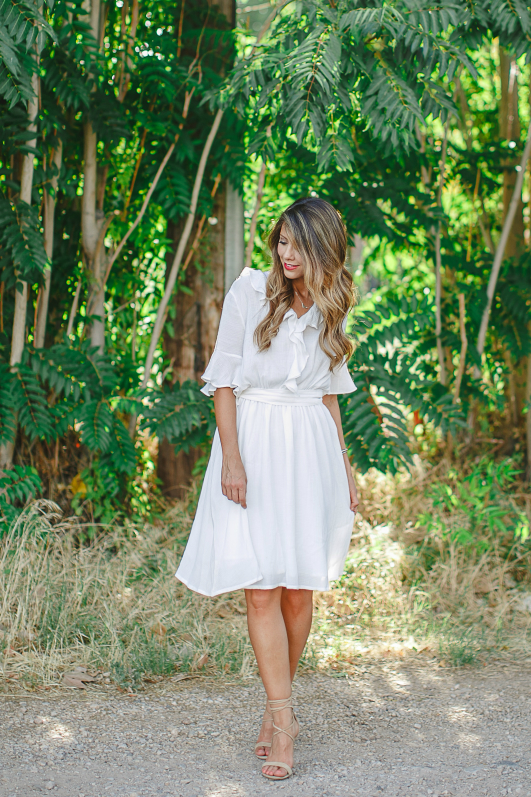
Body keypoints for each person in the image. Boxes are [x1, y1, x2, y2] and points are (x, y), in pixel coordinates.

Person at [176, 196, 359, 781]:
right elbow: (224, 379)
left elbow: (328, 393)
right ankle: (283, 722)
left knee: (298, 592)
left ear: (323, 249)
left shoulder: (328, 307)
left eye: (298, 245)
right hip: (253, 443)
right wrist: (232, 459)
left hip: (309, 448)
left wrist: (346, 463)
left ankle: (275, 706)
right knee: (260, 590)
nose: (285, 253)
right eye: (281, 241)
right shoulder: (250, 291)